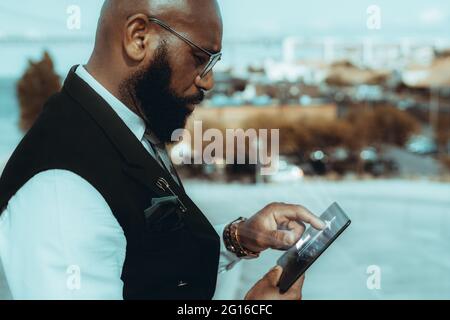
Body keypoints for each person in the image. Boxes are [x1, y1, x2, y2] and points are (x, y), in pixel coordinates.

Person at [0, 0, 324, 300]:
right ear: (138, 37)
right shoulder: (62, 190)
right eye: (200, 58)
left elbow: (150, 262)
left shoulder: (125, 128)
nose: (207, 81)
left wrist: (237, 239)